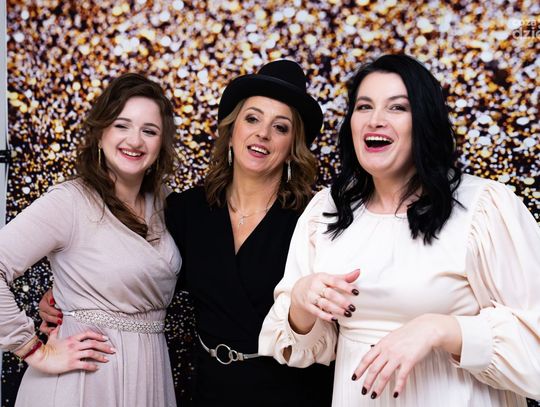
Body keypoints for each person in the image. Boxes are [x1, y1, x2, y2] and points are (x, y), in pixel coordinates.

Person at [39, 60, 334, 406]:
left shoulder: (314, 218)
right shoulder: (187, 210)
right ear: (232, 130)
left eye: (280, 127)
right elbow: (146, 270)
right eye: (252, 119)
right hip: (212, 389)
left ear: (293, 147)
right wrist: (66, 294)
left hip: (293, 394)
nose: (263, 134)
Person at [259, 54, 540, 406]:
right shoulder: (326, 211)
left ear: (424, 121)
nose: (375, 120)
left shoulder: (484, 207)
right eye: (364, 107)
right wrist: (302, 300)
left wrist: (441, 329)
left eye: (397, 108)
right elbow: (301, 349)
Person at [0, 73, 182, 407]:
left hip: (149, 376)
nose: (135, 140)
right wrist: (33, 349)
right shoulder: (70, 201)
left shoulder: (167, 204)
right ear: (100, 133)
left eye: (149, 131)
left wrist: (63, 291)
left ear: (161, 144)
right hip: (83, 383)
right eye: (122, 125)